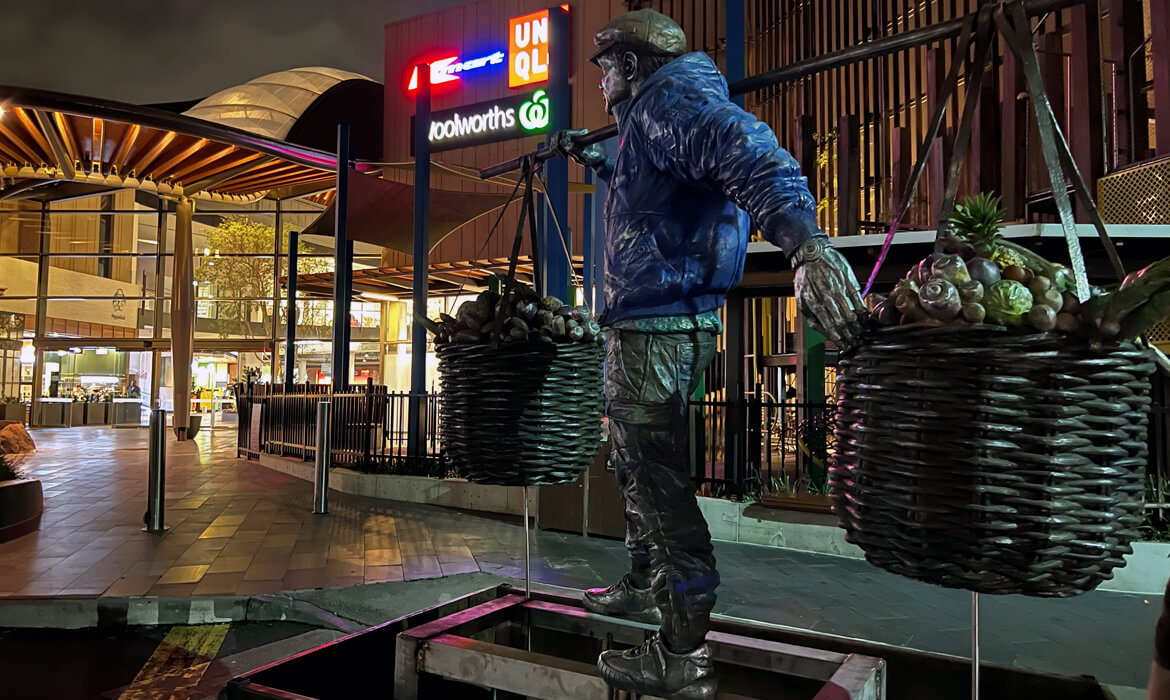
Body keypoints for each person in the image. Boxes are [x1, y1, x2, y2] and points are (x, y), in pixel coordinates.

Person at [553, 9, 866, 699]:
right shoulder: (655, 116)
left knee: (657, 485)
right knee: (636, 468)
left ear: (631, 66)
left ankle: (683, 652)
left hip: (658, 327)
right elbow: (657, 204)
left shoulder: (673, 104)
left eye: (604, 67)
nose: (600, 81)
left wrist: (805, 244)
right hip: (653, 321)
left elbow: (749, 152)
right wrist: (604, 163)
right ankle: (644, 586)